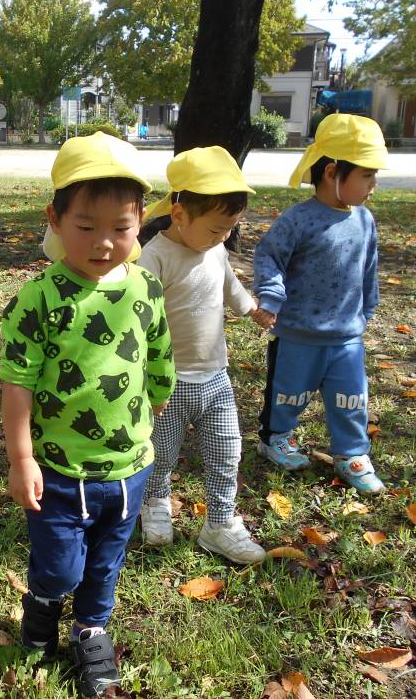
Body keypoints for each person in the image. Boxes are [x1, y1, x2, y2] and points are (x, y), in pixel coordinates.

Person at [0, 132, 175, 698]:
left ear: (140, 220)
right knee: (61, 568)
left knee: (105, 564)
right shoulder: (41, 298)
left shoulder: (145, 285)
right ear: (55, 218)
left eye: (121, 229)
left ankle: (92, 631)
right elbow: (18, 383)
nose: (104, 244)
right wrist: (22, 457)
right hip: (57, 469)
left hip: (128, 467)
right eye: (85, 227)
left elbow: (158, 349)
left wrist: (159, 393)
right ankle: (43, 608)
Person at [136, 147, 268, 564]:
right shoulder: (153, 257)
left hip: (215, 377)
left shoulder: (215, 250)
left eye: (229, 228)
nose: (223, 237)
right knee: (161, 450)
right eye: (216, 229)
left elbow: (230, 287)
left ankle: (221, 522)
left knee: (228, 449)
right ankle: (155, 503)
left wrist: (252, 309)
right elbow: (139, 319)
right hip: (168, 383)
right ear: (179, 216)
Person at [252, 114, 389, 494]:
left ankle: (351, 453)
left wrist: (368, 309)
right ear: (332, 172)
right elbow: (268, 256)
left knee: (351, 399)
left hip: (346, 336)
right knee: (287, 394)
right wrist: (271, 297)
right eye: (367, 175)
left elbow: (368, 268)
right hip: (297, 335)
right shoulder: (299, 220)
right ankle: (275, 438)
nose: (373, 185)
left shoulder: (365, 220)